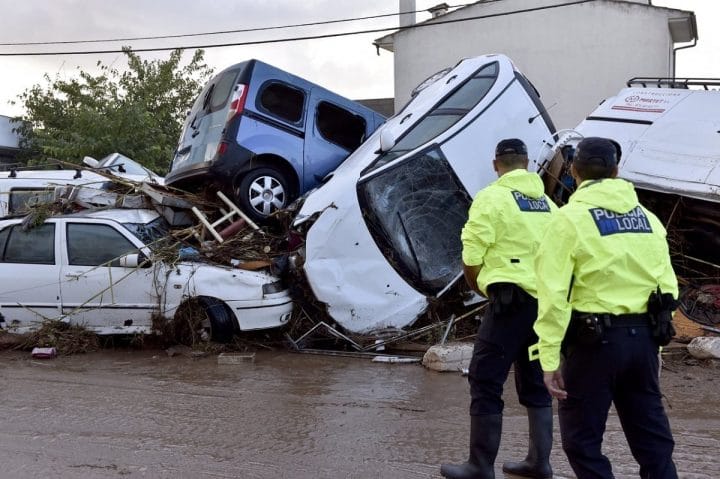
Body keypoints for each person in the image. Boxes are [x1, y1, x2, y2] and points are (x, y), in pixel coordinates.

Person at [530, 136, 679, 478]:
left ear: (573, 171)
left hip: (593, 345)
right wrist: (654, 342)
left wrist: (549, 359)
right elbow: (668, 287)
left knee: (582, 441)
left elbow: (553, 295)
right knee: (652, 440)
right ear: (616, 171)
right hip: (642, 341)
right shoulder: (649, 220)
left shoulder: (568, 220)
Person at [441, 138, 557, 479]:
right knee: (536, 380)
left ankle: (480, 465)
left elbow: (471, 255)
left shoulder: (491, 198)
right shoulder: (549, 205)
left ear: (496, 165)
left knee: (485, 378)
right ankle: (540, 462)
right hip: (544, 307)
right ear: (527, 164)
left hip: (508, 306)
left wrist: (482, 287)